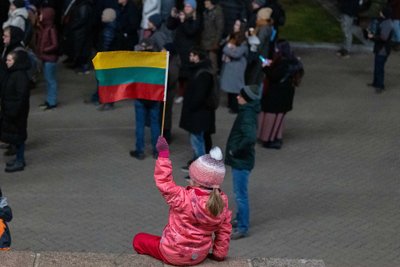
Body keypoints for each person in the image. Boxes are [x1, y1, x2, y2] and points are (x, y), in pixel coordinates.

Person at [133, 137, 232, 266]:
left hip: (173, 253)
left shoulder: (184, 197)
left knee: (138, 239)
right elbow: (224, 230)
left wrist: (163, 155)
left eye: (191, 178)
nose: (189, 180)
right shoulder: (222, 202)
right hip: (199, 255)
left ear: (197, 182)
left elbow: (164, 182)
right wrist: (219, 255)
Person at [225, 84, 260, 240]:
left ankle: (243, 227)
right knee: (239, 193)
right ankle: (240, 220)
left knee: (240, 195)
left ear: (246, 99)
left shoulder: (247, 115)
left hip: (241, 161)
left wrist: (235, 150)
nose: (237, 97)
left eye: (240, 96)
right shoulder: (248, 111)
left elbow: (250, 137)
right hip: (242, 160)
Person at [258, 39, 303, 149]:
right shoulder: (293, 62)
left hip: (276, 95)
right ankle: (275, 137)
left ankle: (268, 139)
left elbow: (274, 76)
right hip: (285, 95)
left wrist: (265, 66)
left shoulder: (283, 63)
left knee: (271, 116)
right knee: (278, 118)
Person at [179, 47, 215, 170]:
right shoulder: (200, 70)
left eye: (192, 55)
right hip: (198, 113)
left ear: (197, 57)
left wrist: (191, 106)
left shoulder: (202, 74)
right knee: (196, 140)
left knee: (197, 141)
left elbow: (199, 96)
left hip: (198, 114)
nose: (190, 57)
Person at [130, 39, 161, 160]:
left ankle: (140, 150)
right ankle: (156, 151)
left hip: (140, 97)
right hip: (154, 97)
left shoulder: (137, 62)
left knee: (140, 125)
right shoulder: (158, 61)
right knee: (155, 124)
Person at [0, 50, 31, 172]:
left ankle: (20, 160)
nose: (6, 62)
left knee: (19, 137)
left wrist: (13, 110)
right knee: (16, 137)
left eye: (9, 60)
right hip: (12, 111)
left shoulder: (19, 76)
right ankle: (18, 158)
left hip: (16, 113)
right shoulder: (13, 74)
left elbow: (21, 97)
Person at [36, 6, 59, 110]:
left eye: (41, 14)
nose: (39, 16)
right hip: (46, 58)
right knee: (49, 80)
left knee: (50, 80)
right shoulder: (44, 28)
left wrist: (44, 50)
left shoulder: (50, 29)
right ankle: (50, 100)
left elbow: (55, 44)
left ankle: (52, 101)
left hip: (49, 58)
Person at [367, 6, 394, 93]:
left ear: (385, 13)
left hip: (383, 49)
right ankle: (376, 83)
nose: (380, 12)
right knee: (377, 67)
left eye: (381, 12)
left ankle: (380, 86)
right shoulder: (385, 21)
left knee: (379, 68)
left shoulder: (387, 24)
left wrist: (372, 37)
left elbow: (383, 38)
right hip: (380, 48)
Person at [220, 30, 248, 114]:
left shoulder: (244, 46)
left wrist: (227, 48)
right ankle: (231, 105)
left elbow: (236, 54)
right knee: (230, 89)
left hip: (237, 71)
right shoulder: (233, 45)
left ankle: (236, 107)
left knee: (236, 90)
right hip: (231, 70)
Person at [200, 0, 224, 74]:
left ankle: (213, 83)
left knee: (212, 65)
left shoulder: (217, 12)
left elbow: (220, 29)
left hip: (212, 43)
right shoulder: (205, 12)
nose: (204, 2)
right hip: (204, 42)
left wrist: (216, 43)